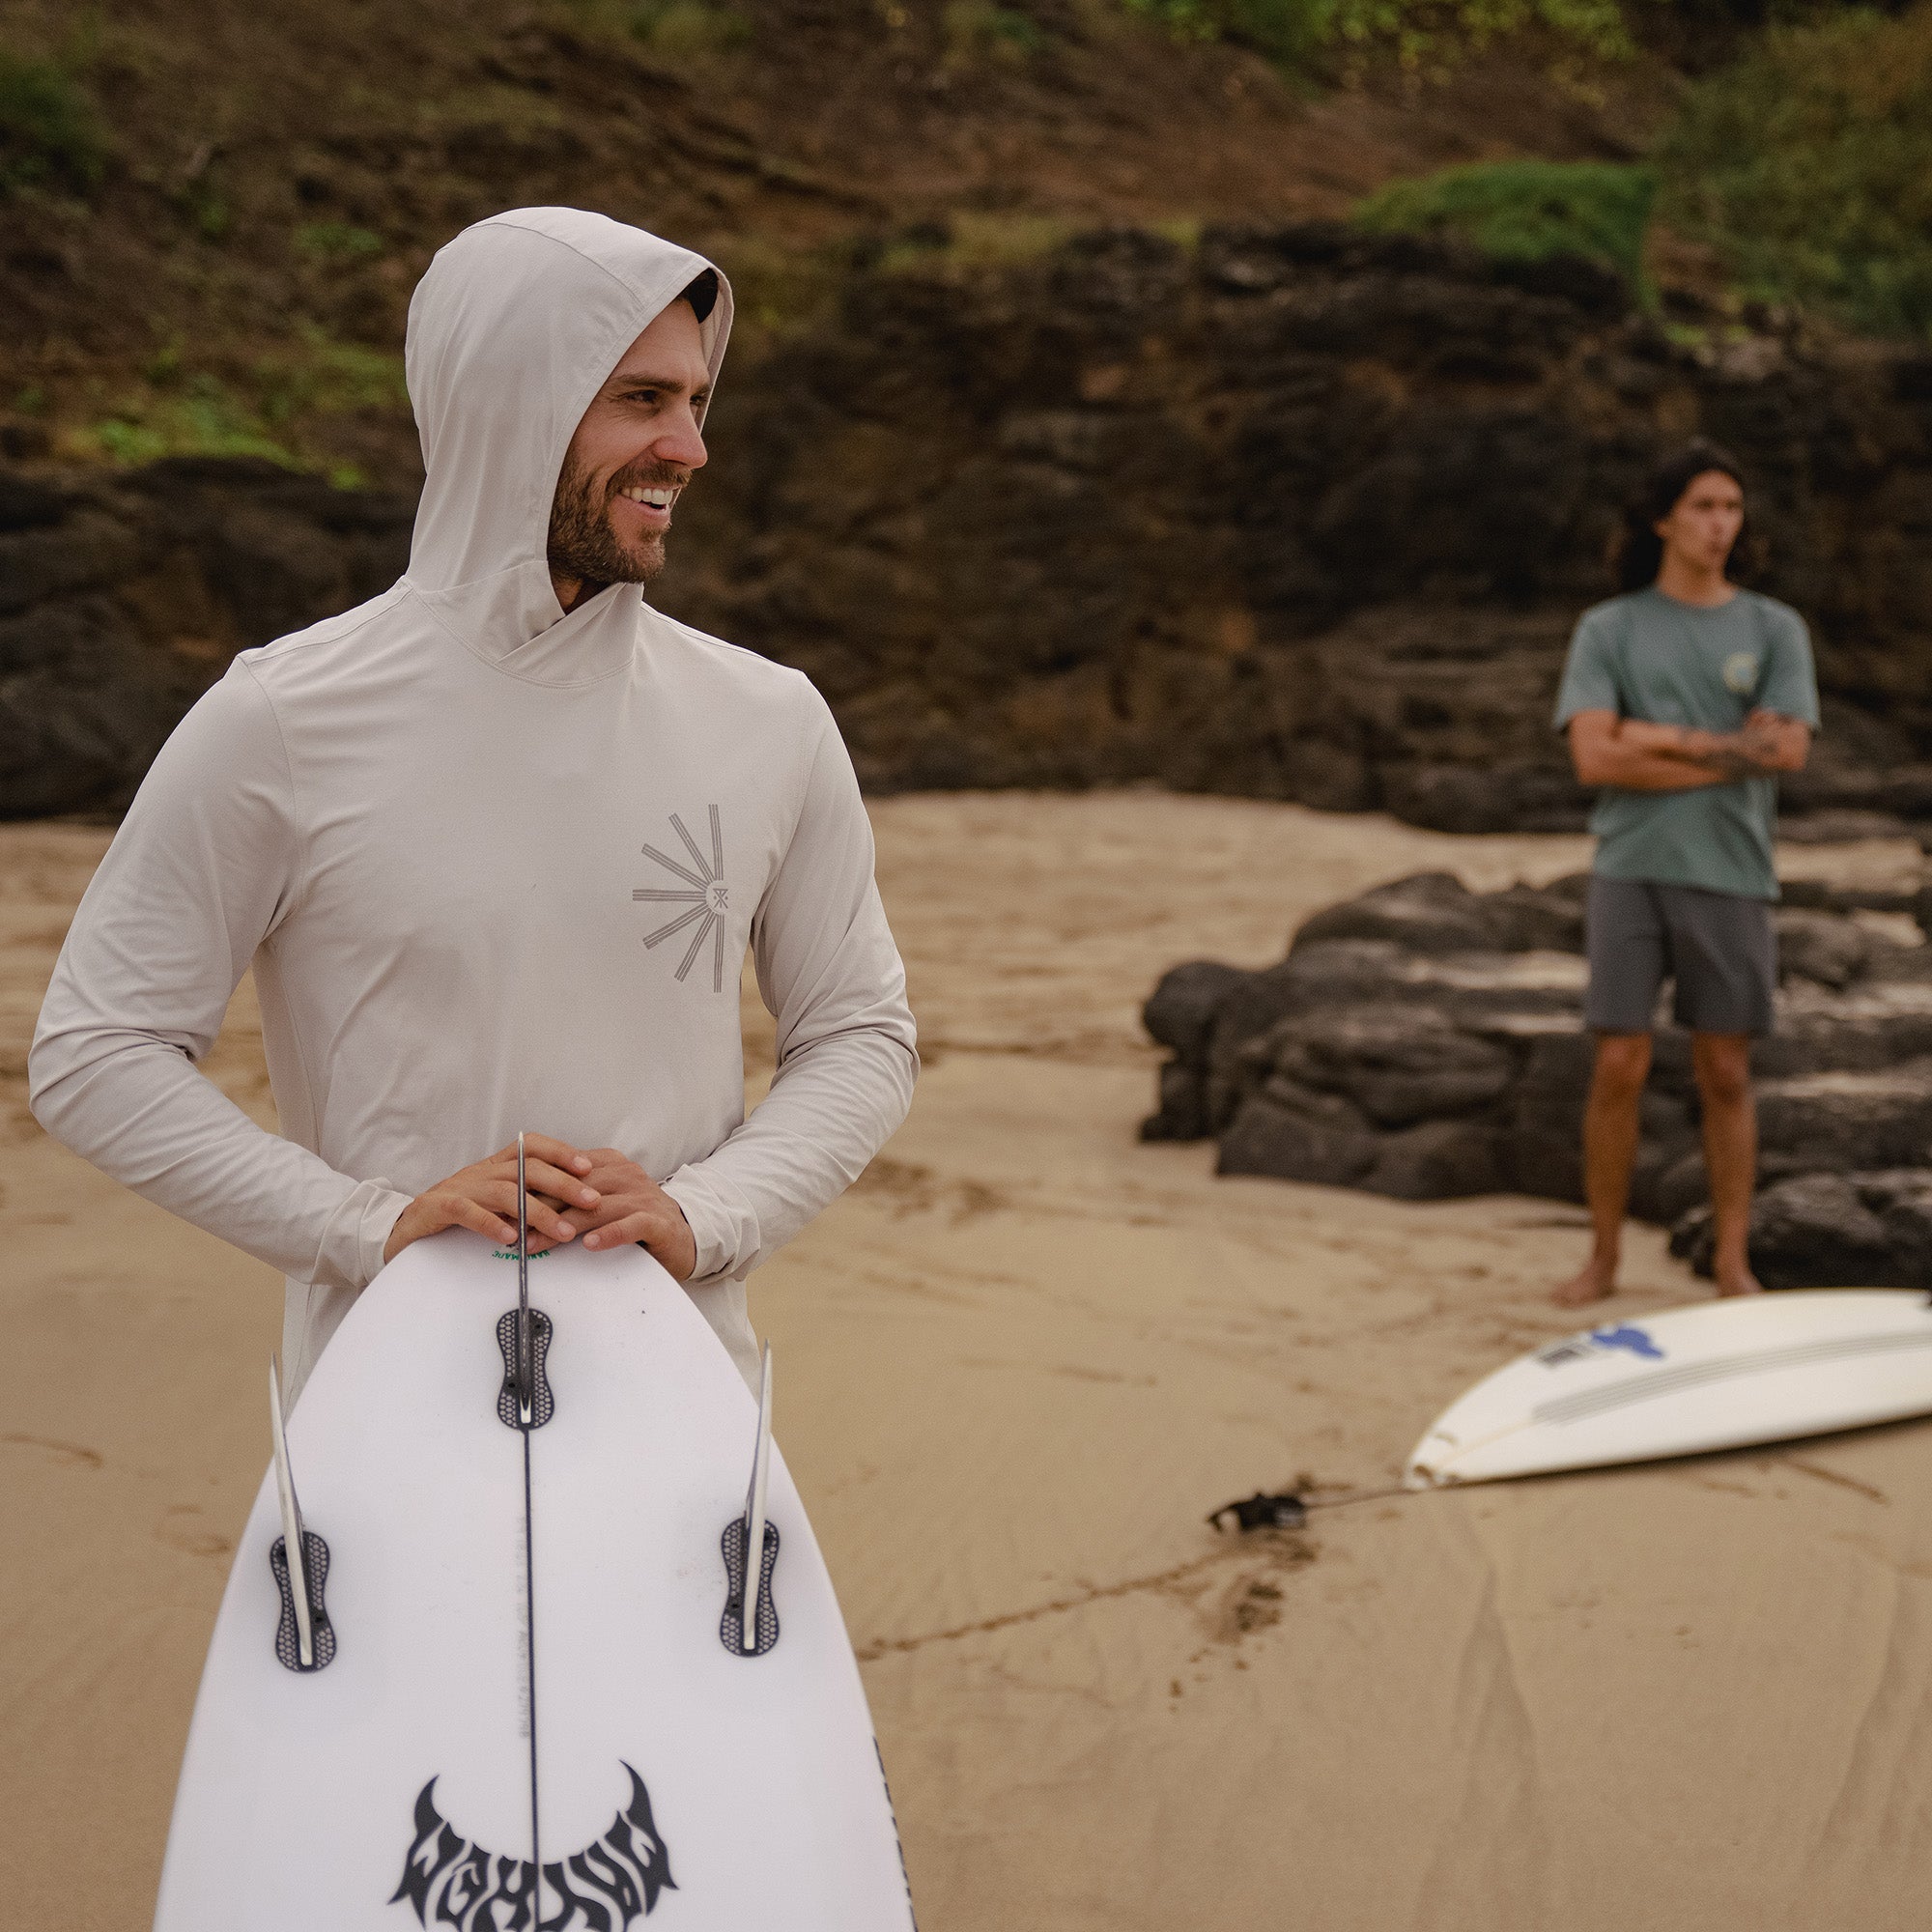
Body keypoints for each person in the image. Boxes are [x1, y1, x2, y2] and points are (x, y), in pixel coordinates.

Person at [29, 207, 918, 1403]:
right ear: (512, 401)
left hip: (684, 1413)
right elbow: (96, 1050)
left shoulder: (768, 718)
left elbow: (858, 1030)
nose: (689, 447)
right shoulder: (282, 716)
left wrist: (707, 1211)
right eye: (641, 399)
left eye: (696, 401)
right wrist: (366, 1223)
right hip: (382, 1422)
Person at [1550, 440, 1818, 1307]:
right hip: (1630, 868)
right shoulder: (1611, 629)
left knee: (1727, 1072)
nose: (1719, 524)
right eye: (1703, 506)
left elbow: (1788, 751)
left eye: (1731, 508)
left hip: (1732, 870)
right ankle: (1601, 1259)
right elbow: (1594, 758)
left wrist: (1660, 738)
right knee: (1618, 1064)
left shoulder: (1773, 629)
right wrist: (1729, 752)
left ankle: (1733, 1264)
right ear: (1664, 520)